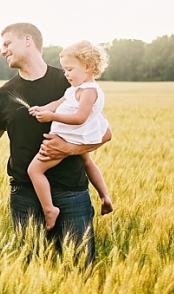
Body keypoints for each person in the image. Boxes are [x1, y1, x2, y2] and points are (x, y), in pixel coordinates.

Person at [0, 23, 111, 266]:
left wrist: (70, 149)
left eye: (7, 43)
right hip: (25, 196)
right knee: (29, 271)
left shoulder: (71, 82)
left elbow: (104, 133)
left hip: (71, 192)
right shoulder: (5, 94)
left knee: (80, 270)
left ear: (27, 40)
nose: (2, 51)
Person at [27, 40, 114, 230]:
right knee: (88, 163)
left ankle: (50, 209)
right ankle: (104, 196)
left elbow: (80, 118)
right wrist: (42, 109)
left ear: (87, 67)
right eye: (65, 69)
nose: (66, 74)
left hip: (68, 137)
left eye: (69, 69)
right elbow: (59, 102)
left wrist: (52, 116)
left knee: (34, 170)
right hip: (77, 136)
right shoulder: (76, 89)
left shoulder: (89, 92)